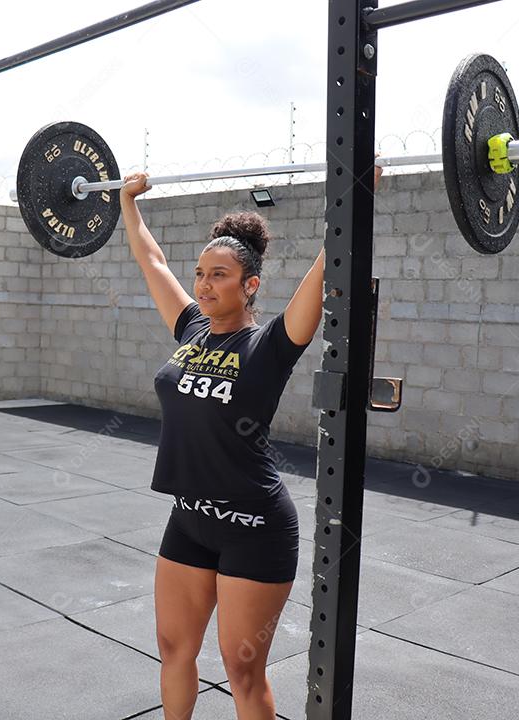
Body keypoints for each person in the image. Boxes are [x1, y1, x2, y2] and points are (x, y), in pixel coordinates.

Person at [120, 165, 381, 720]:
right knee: (173, 649)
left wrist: (357, 195)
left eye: (219, 275)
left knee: (241, 670)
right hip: (188, 518)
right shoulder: (190, 328)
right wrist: (128, 206)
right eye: (201, 274)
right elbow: (153, 261)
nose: (204, 284)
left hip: (254, 527)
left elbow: (324, 269)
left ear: (250, 284)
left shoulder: (269, 344)